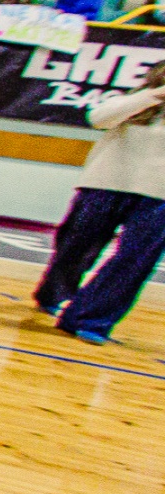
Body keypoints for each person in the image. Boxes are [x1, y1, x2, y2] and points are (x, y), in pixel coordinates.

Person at [34, 60, 165, 343]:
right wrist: (155, 95)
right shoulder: (134, 100)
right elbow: (98, 118)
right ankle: (54, 294)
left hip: (159, 196)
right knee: (76, 246)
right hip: (105, 184)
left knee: (134, 261)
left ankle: (89, 320)